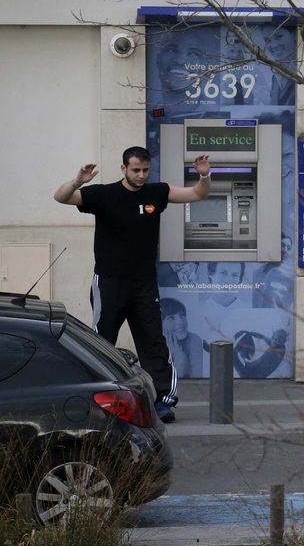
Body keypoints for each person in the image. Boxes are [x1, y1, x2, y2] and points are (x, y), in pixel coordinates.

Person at [53, 146, 212, 423]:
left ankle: (163, 400)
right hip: (109, 282)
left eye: (145, 170)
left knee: (153, 341)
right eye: (136, 170)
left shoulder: (156, 193)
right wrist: (78, 181)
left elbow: (197, 193)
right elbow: (61, 197)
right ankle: (98, 398)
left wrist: (205, 175)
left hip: (144, 284)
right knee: (102, 342)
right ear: (124, 168)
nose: (141, 175)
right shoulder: (104, 194)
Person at [161, 297, 204, 378]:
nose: (180, 322)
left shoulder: (193, 340)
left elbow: (197, 382)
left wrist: (179, 357)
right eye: (171, 318)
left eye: (182, 315)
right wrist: (179, 359)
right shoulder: (155, 343)